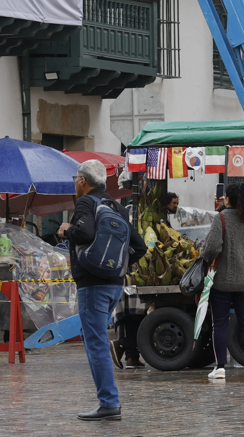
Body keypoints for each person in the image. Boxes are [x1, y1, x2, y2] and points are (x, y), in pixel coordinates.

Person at [58, 160, 146, 422]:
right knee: (92, 336)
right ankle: (107, 400)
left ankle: (109, 403)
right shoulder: (117, 207)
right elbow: (139, 247)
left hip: (92, 284)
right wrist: (117, 265)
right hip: (114, 284)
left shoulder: (86, 203)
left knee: (95, 342)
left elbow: (83, 233)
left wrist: (66, 231)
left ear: (83, 181)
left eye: (76, 179)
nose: (75, 183)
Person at [203, 182, 244, 381]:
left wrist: (205, 257)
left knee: (219, 324)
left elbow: (212, 247)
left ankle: (220, 367)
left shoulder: (220, 217)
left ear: (228, 198)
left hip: (223, 280)